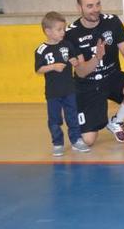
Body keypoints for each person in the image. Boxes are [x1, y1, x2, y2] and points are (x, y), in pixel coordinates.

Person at [65, 0, 124, 145]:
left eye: (98, 4)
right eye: (89, 6)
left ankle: (116, 121)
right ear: (79, 8)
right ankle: (77, 112)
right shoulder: (71, 33)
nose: (95, 10)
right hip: (87, 84)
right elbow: (81, 72)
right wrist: (97, 58)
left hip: (111, 77)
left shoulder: (112, 22)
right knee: (87, 141)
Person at [35, 12, 91, 156]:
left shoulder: (67, 45)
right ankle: (57, 143)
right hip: (53, 92)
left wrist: (75, 62)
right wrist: (53, 67)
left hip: (69, 89)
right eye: (59, 29)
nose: (63, 32)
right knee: (54, 119)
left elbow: (75, 60)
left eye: (63, 29)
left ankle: (76, 140)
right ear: (48, 32)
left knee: (72, 115)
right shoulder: (41, 50)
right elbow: (38, 69)